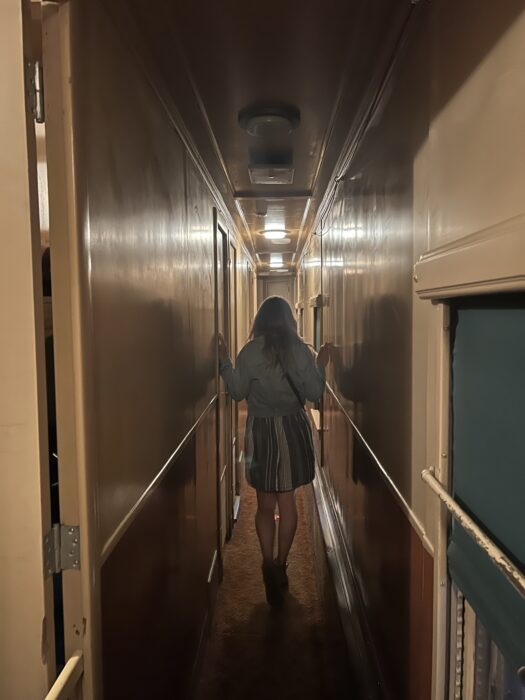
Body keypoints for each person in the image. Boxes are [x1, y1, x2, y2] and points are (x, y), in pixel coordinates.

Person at [218, 295, 332, 606]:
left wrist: (224, 362)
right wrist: (320, 365)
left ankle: (267, 562)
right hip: (293, 431)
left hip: (261, 433)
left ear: (260, 321)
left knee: (264, 505)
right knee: (289, 503)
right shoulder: (302, 351)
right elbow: (313, 393)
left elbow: (238, 392)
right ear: (289, 321)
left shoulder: (249, 352)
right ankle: (282, 564)